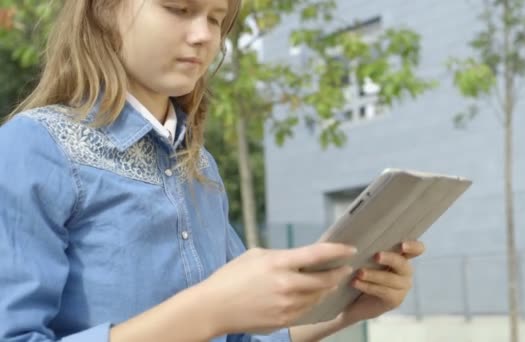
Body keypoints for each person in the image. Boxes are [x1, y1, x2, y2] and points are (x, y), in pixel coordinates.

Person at [0, 0, 425, 341]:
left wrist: (346, 309)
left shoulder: (201, 166)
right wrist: (209, 309)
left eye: (217, 18)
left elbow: (241, 335)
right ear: (104, 9)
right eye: (178, 9)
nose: (204, 36)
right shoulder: (34, 146)